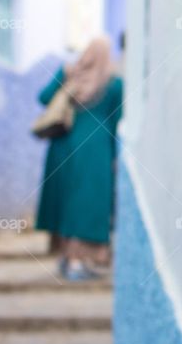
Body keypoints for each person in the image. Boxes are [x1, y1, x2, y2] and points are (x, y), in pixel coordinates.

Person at [35, 35, 123, 281]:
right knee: (89, 203)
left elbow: (43, 99)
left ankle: (66, 257)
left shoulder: (69, 75)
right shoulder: (114, 85)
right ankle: (78, 262)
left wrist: (63, 76)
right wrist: (116, 157)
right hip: (96, 150)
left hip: (62, 146)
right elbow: (117, 121)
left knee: (65, 201)